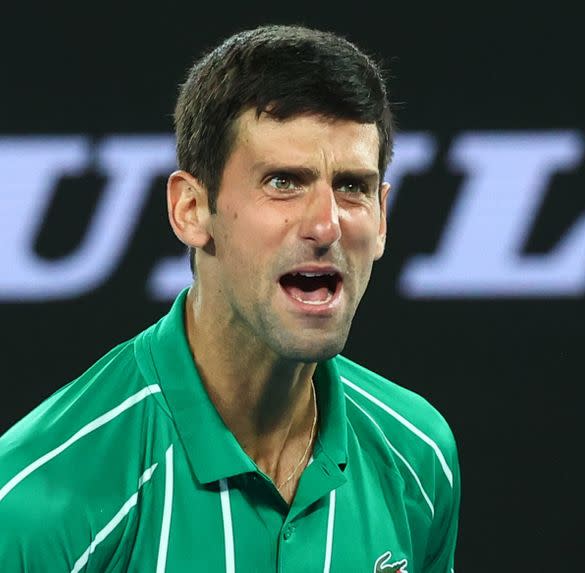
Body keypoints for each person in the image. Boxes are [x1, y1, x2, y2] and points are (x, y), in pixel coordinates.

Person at [0, 24, 460, 572]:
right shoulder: (40, 504)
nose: (326, 224)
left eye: (352, 186)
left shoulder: (417, 456)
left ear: (382, 217)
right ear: (191, 210)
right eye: (284, 182)